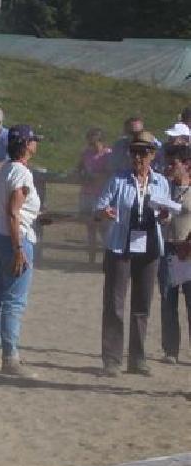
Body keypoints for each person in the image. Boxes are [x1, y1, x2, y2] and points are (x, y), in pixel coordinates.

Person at [96, 130, 171, 377]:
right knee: (114, 303)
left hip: (149, 248)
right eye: (134, 152)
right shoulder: (118, 180)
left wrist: (164, 216)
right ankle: (112, 359)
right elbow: (100, 205)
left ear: (152, 155)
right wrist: (104, 212)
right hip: (121, 246)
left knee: (142, 304)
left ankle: (137, 358)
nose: (138, 157)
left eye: (143, 152)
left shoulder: (161, 182)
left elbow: (167, 211)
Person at [0, 124, 44, 377]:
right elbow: (13, 211)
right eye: (33, 141)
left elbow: (12, 209)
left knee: (1, 295)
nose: (36, 144)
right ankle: (10, 356)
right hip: (13, 238)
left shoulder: (5, 169)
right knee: (14, 301)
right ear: (26, 145)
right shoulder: (22, 174)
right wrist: (19, 247)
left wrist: (36, 214)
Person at [158, 144, 191, 365]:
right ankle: (171, 349)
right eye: (167, 162)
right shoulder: (164, 187)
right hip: (168, 249)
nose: (169, 167)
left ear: (187, 164)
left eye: (173, 163)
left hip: (189, 250)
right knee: (168, 300)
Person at [76, 128, 113, 264]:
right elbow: (79, 167)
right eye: (90, 143)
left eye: (94, 143)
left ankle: (108, 257)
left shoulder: (108, 155)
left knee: (104, 228)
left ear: (101, 142)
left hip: (101, 195)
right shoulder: (86, 153)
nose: (92, 146)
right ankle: (91, 258)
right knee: (90, 227)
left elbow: (109, 173)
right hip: (87, 193)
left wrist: (96, 176)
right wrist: (82, 174)